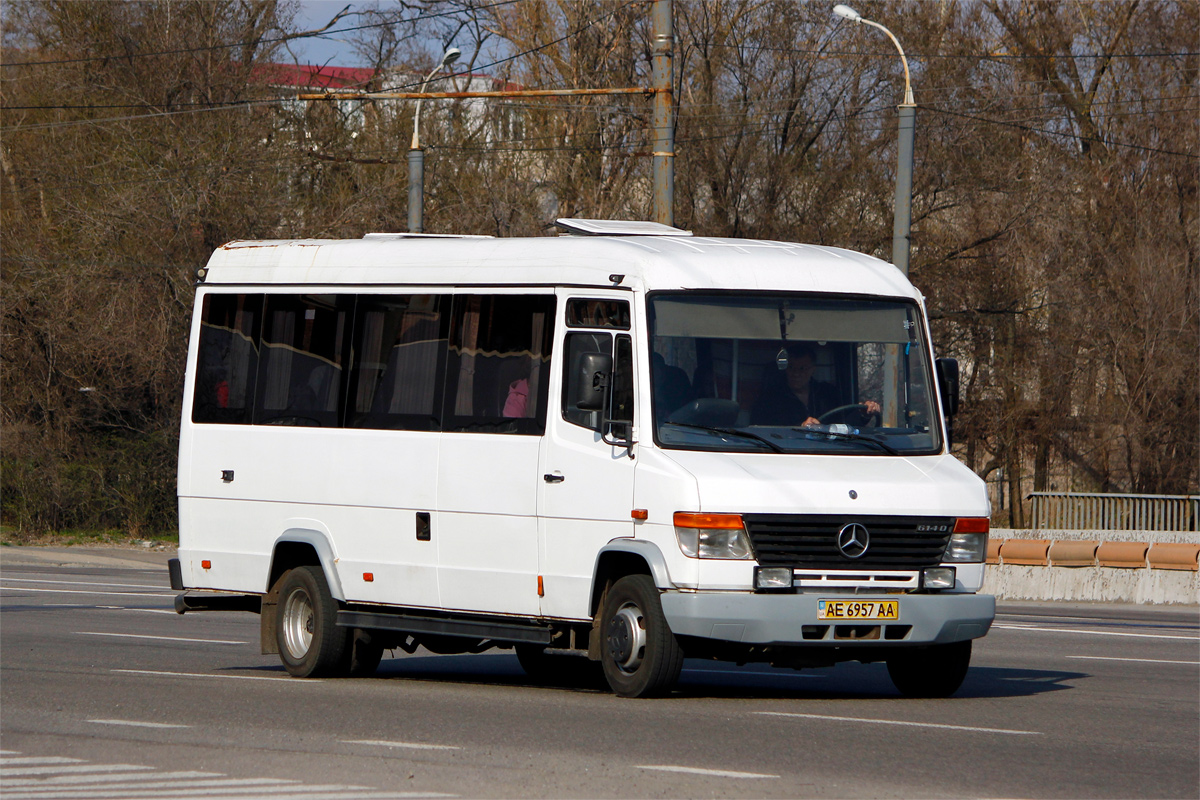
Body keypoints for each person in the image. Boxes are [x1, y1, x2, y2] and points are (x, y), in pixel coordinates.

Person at [752, 343, 880, 427]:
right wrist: (800, 427)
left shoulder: (828, 394)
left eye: (802, 368)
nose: (796, 373)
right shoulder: (770, 398)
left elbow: (846, 424)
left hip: (828, 451)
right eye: (791, 368)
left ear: (813, 369)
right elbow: (763, 429)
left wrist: (864, 414)